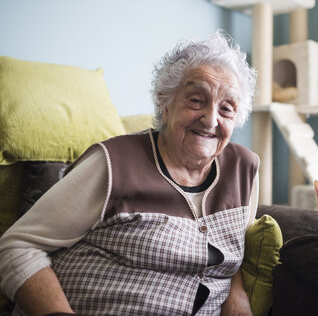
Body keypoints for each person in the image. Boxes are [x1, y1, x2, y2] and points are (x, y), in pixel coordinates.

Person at [0, 31, 259, 316]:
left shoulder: (244, 169)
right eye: (196, 100)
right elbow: (17, 246)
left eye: (226, 108)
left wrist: (237, 292)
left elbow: (232, 250)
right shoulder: (112, 163)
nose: (211, 119)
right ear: (165, 102)